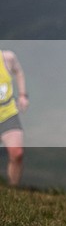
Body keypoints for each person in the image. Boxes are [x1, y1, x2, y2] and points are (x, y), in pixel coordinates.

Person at [0, 50, 28, 187]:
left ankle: (12, 189)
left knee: (17, 153)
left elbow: (19, 72)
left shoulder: (7, 58)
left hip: (7, 113)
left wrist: (22, 95)